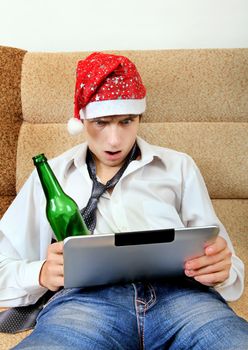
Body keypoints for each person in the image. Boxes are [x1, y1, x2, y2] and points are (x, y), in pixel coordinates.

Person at [0, 52, 247, 349]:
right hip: (86, 304)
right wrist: (39, 273)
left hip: (184, 298)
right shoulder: (50, 176)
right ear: (82, 120)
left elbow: (225, 261)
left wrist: (222, 268)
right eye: (101, 123)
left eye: (126, 121)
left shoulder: (179, 166)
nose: (114, 141)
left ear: (139, 117)